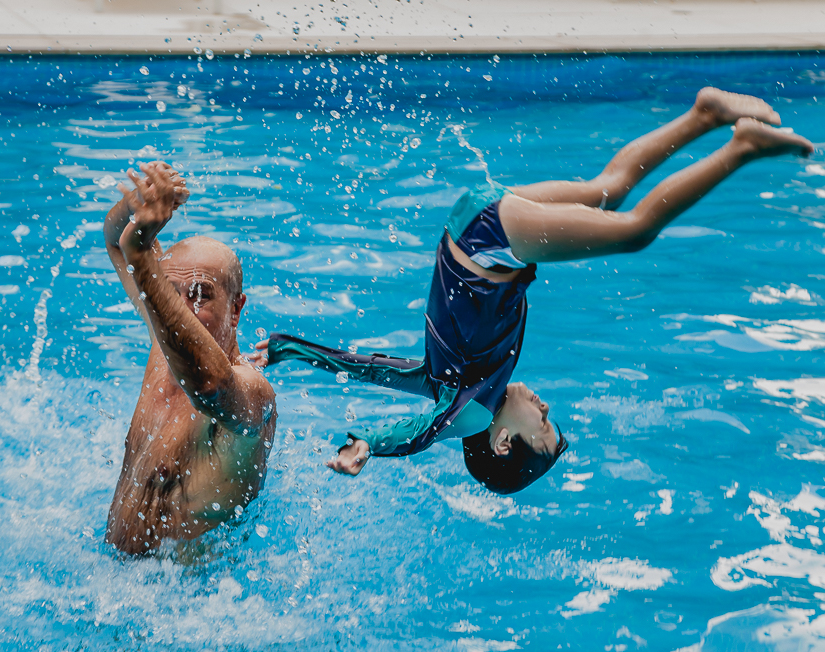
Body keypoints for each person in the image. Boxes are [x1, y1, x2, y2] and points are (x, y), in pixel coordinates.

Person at [253, 88, 814, 494]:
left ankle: (740, 146)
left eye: (541, 426)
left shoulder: (466, 411)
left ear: (502, 442)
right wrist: (288, 350)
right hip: (473, 223)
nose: (545, 407)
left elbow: (416, 430)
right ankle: (704, 114)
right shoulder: (457, 387)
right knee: (607, 192)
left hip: (489, 243)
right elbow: (371, 368)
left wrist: (367, 443)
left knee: (636, 231)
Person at [102, 161, 277, 554]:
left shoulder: (253, 394)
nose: (180, 308)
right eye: (172, 291)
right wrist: (138, 205)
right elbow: (115, 241)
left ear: (236, 308)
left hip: (187, 606)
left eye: (201, 294)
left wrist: (141, 251)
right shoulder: (165, 344)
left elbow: (211, 387)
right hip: (108, 578)